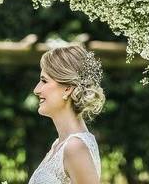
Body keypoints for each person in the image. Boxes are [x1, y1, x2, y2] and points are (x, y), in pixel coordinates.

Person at [28, 45, 104, 184]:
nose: (36, 89)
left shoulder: (75, 147)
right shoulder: (59, 145)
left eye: (44, 81)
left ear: (68, 88)